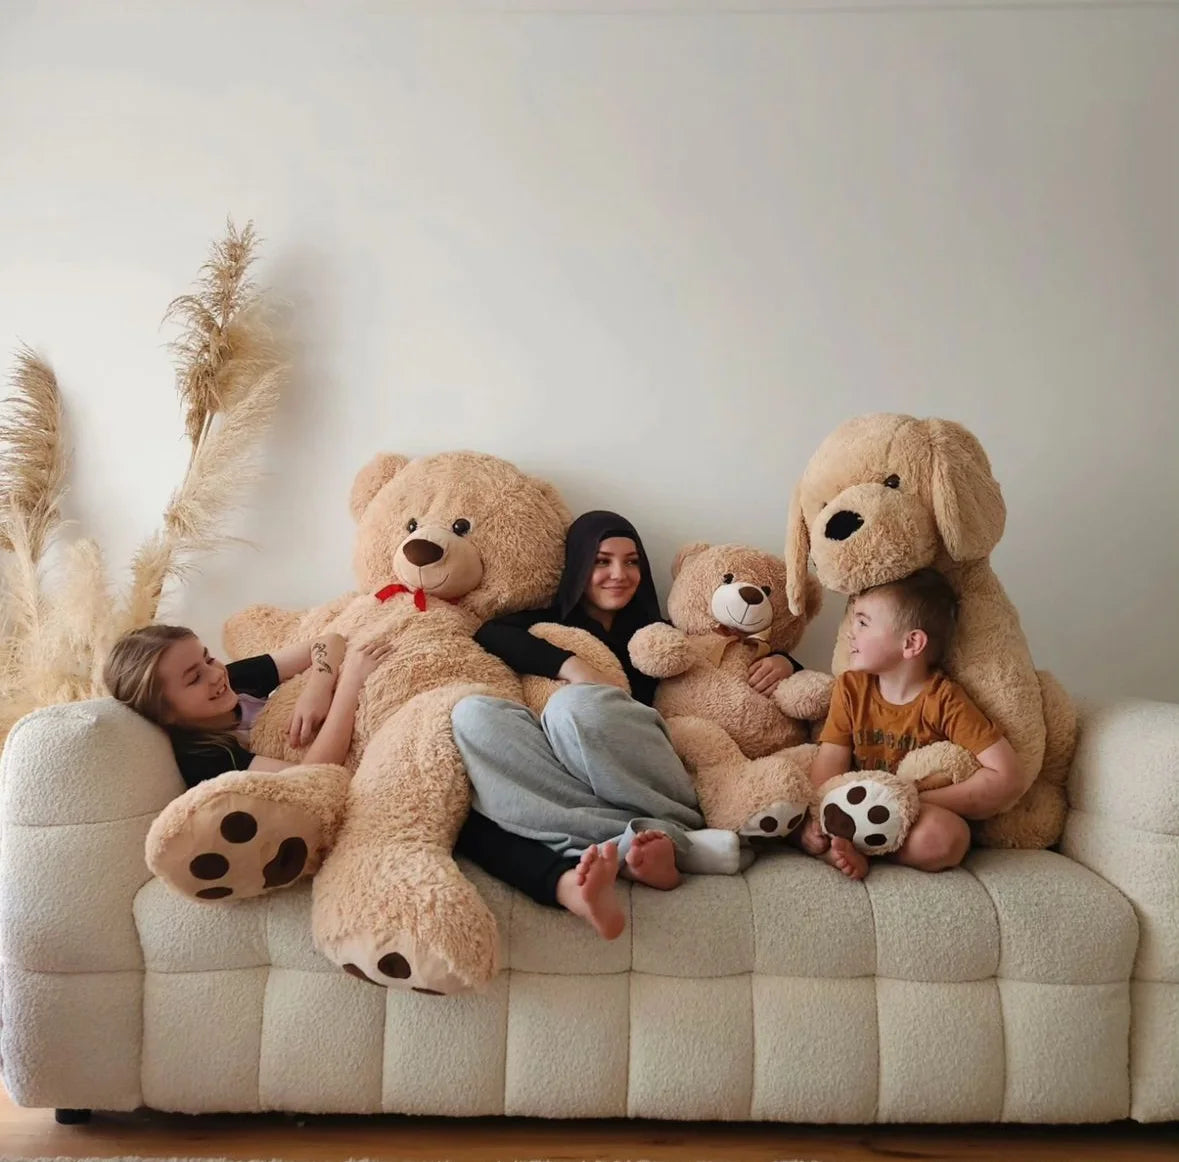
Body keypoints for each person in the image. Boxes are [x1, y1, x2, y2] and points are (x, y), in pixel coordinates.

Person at [451, 510, 797, 940]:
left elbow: (726, 657)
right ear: (578, 564)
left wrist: (786, 661)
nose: (619, 574)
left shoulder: (662, 633)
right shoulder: (546, 625)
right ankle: (653, 844)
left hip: (649, 779)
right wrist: (572, 665)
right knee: (473, 715)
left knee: (573, 709)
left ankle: (675, 826)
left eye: (632, 561)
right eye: (602, 561)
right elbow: (490, 634)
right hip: (566, 779)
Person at [802, 567, 1025, 880]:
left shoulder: (944, 700)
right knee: (797, 812)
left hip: (916, 813)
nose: (851, 631)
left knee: (943, 838)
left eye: (863, 622)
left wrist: (909, 800)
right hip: (853, 806)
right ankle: (842, 845)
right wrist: (818, 811)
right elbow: (830, 759)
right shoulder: (851, 687)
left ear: (912, 643)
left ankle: (861, 851)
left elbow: (1008, 776)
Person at [103, 623, 389, 784]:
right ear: (165, 713)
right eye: (194, 679)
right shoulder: (206, 758)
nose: (215, 673)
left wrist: (319, 687)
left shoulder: (233, 678)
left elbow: (327, 640)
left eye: (208, 657)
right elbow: (312, 774)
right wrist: (350, 682)